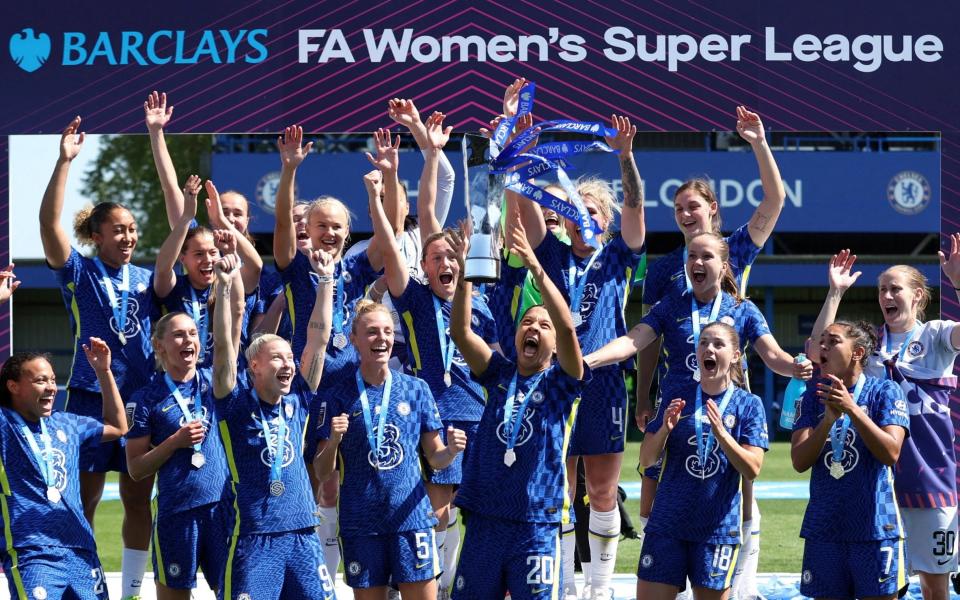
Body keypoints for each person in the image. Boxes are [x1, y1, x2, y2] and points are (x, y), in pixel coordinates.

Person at [637, 107, 785, 598]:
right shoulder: (662, 271)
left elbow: (774, 201)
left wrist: (758, 142)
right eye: (678, 207)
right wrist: (643, 396)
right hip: (676, 398)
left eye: (694, 207)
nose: (685, 214)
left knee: (737, 488)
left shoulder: (734, 250)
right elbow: (647, 342)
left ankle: (739, 585)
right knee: (662, 497)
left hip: (728, 388)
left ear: (712, 212)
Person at [512, 110, 645, 600]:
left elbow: (634, 204)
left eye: (590, 213)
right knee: (561, 492)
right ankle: (566, 587)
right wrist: (517, 141)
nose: (581, 219)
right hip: (557, 382)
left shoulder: (618, 256)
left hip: (605, 380)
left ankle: (600, 588)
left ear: (604, 222)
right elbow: (526, 204)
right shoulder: (551, 256)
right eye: (574, 211)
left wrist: (626, 158)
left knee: (603, 490)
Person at [367, 115, 498, 596]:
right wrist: (423, 160)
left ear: (464, 262)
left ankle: (466, 585)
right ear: (422, 265)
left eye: (451, 258)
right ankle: (435, 589)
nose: (444, 264)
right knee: (437, 509)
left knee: (481, 507)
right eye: (435, 258)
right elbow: (422, 215)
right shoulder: (417, 299)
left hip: (481, 414)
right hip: (435, 415)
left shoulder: (480, 302)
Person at [40, 115, 157, 600]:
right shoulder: (80, 272)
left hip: (139, 403)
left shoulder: (151, 277)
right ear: (98, 235)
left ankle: (130, 592)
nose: (128, 237)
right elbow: (49, 225)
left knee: (136, 497)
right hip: (89, 398)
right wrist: (64, 161)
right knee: (84, 498)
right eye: (119, 230)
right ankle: (82, 585)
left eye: (133, 230)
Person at [447, 213, 589, 600]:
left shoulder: (563, 382)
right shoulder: (498, 373)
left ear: (555, 343)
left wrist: (536, 268)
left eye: (543, 327)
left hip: (536, 521)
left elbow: (567, 328)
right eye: (528, 323)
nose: (533, 329)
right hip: (486, 517)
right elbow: (461, 333)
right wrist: (464, 278)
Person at [808, 246, 960, 600]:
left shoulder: (936, 335)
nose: (887, 296)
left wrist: (957, 281)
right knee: (884, 583)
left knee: (934, 586)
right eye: (882, 290)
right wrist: (835, 293)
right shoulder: (868, 345)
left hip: (930, 477)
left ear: (918, 295)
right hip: (876, 482)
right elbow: (819, 351)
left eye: (895, 289)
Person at [273, 123, 386, 579]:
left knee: (350, 478)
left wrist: (382, 184)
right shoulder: (296, 266)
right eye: (321, 226)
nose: (330, 233)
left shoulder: (357, 267)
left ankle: (347, 570)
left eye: (338, 226)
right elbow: (282, 224)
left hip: (351, 384)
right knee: (306, 476)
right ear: (309, 229)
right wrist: (288, 170)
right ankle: (311, 572)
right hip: (308, 381)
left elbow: (389, 233)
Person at [314, 299, 466, 600]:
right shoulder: (337, 395)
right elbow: (321, 471)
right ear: (355, 339)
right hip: (361, 521)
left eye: (386, 331)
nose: (381, 338)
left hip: (411, 519)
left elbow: (435, 459)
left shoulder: (416, 388)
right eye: (371, 332)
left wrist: (450, 451)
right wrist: (333, 440)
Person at [214, 244, 338, 598]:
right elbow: (224, 348)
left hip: (302, 530)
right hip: (254, 536)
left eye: (289, 357)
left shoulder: (298, 397)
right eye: (277, 358)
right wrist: (224, 288)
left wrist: (326, 279)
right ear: (254, 366)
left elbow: (318, 338)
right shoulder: (234, 404)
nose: (288, 364)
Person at [125, 251, 245, 598]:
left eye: (192, 334)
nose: (188, 341)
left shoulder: (214, 383)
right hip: (176, 512)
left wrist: (224, 284)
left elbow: (228, 338)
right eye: (178, 335)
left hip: (222, 508)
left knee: (236, 593)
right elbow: (135, 469)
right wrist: (174, 442)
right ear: (159, 346)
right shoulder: (144, 398)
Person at [634, 322, 768, 599]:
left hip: (716, 530)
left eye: (718, 344)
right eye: (704, 342)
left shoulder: (749, 404)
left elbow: (752, 469)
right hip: (668, 524)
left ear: (734, 356)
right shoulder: (677, 394)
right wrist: (664, 431)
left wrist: (722, 434)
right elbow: (647, 460)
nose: (709, 348)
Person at [0, 333, 128, 600]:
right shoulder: (5, 425)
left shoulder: (67, 423)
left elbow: (118, 426)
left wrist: (103, 372)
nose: (50, 387)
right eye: (40, 380)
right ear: (13, 386)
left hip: (81, 549)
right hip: (33, 552)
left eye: (52, 380)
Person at [792, 320, 909, 600]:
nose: (822, 347)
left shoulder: (885, 392)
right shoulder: (810, 396)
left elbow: (891, 452)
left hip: (876, 528)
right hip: (824, 529)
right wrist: (828, 421)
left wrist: (852, 409)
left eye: (832, 341)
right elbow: (799, 460)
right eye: (821, 341)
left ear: (857, 353)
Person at [145, 91, 264, 356]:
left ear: (248, 220)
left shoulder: (236, 266)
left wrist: (223, 226)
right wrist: (156, 132)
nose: (230, 219)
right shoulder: (198, 238)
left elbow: (255, 266)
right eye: (224, 211)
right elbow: (169, 187)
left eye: (237, 214)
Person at [153, 177, 262, 370]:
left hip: (223, 378)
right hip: (180, 379)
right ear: (182, 258)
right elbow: (162, 268)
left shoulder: (227, 284)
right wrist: (187, 217)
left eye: (213, 253)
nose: (208, 260)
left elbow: (255, 268)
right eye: (198, 254)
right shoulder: (175, 287)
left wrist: (222, 225)